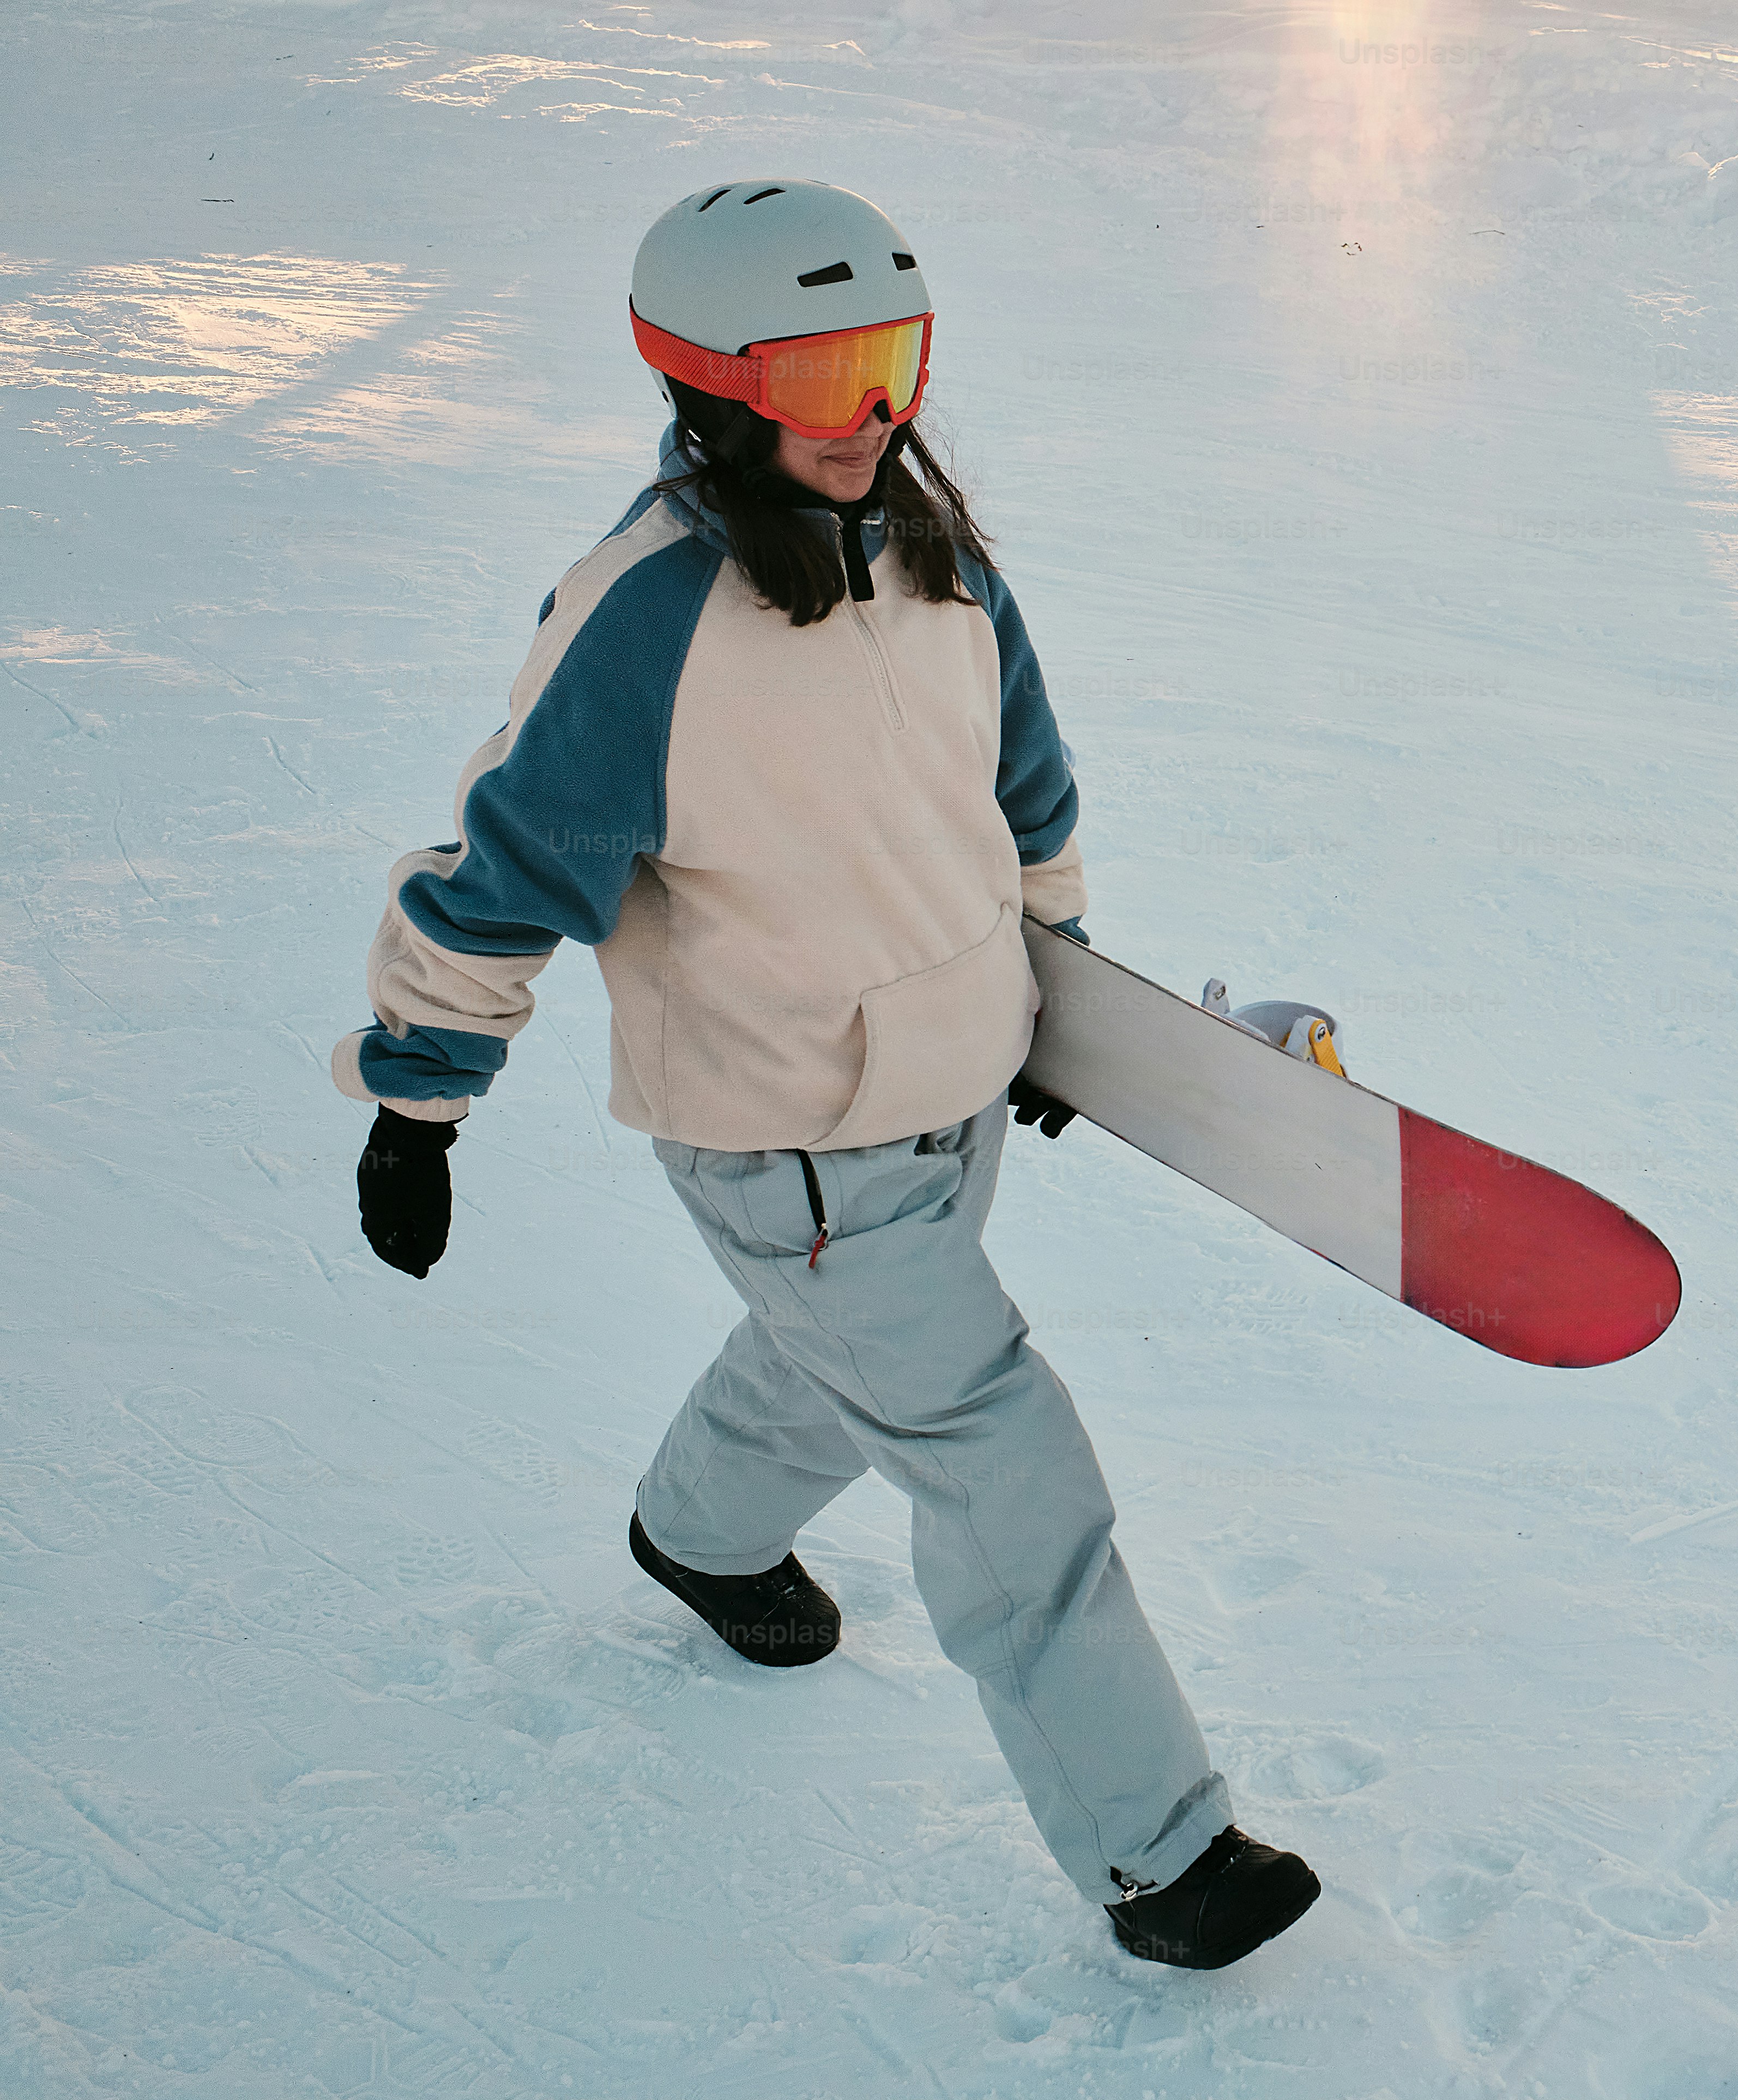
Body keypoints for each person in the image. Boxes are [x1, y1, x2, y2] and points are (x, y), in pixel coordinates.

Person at [336, 179, 1318, 1971]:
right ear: (710, 382)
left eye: (894, 364)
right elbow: (506, 868)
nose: (871, 420)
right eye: (822, 374)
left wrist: (1055, 982)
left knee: (830, 1364)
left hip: (949, 1079)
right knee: (998, 1454)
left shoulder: (941, 562)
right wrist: (420, 1101)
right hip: (786, 1127)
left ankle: (698, 1536)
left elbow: (1027, 785)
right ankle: (1160, 1854)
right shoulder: (648, 615)